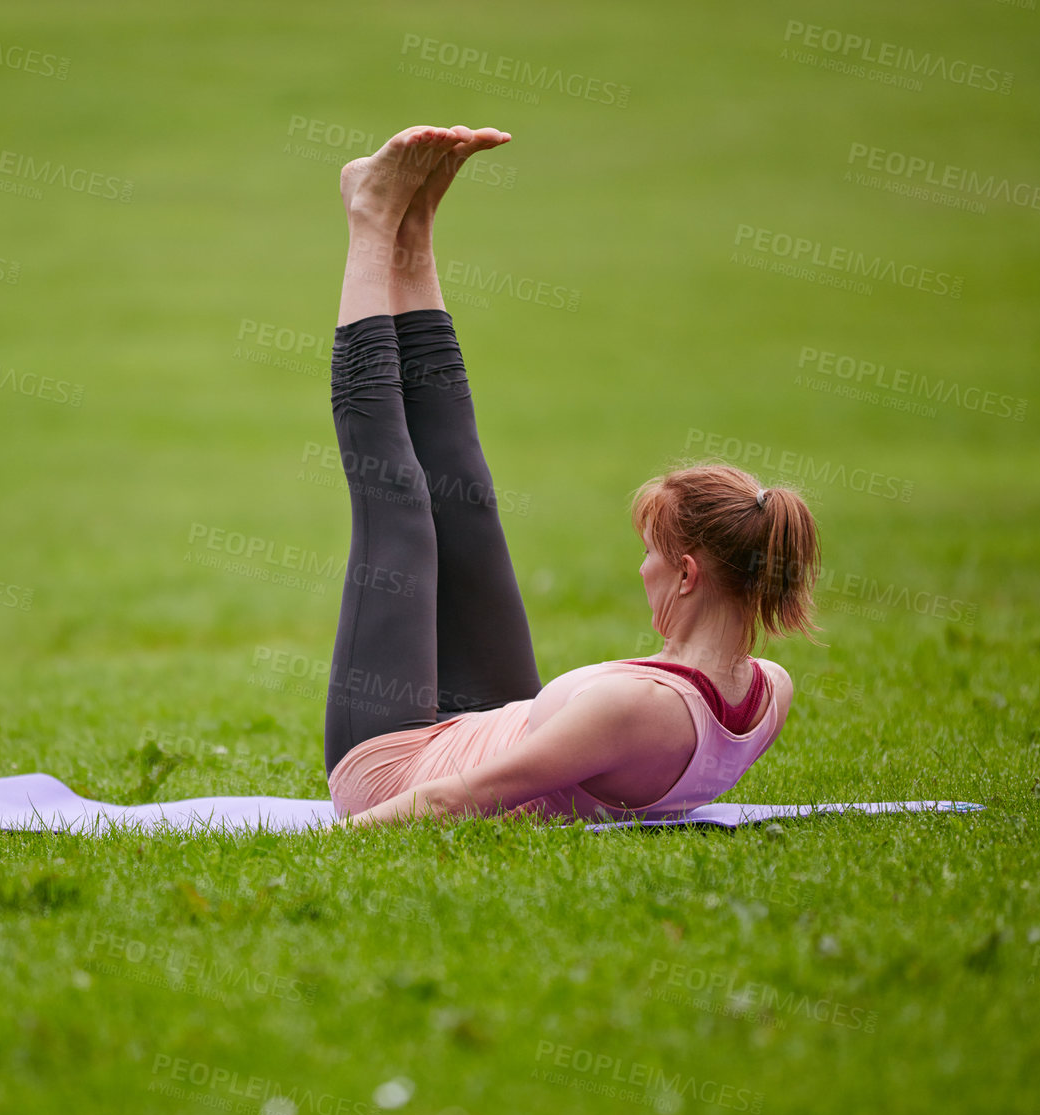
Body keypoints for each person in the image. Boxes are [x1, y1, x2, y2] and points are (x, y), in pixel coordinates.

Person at [322, 125, 821, 827]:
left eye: (651, 551)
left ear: (686, 573)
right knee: (465, 493)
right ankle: (414, 227)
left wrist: (330, 841)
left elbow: (446, 799)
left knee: (397, 501)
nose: (640, 568)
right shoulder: (766, 690)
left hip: (394, 771)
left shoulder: (641, 707)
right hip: (490, 723)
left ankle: (373, 222)